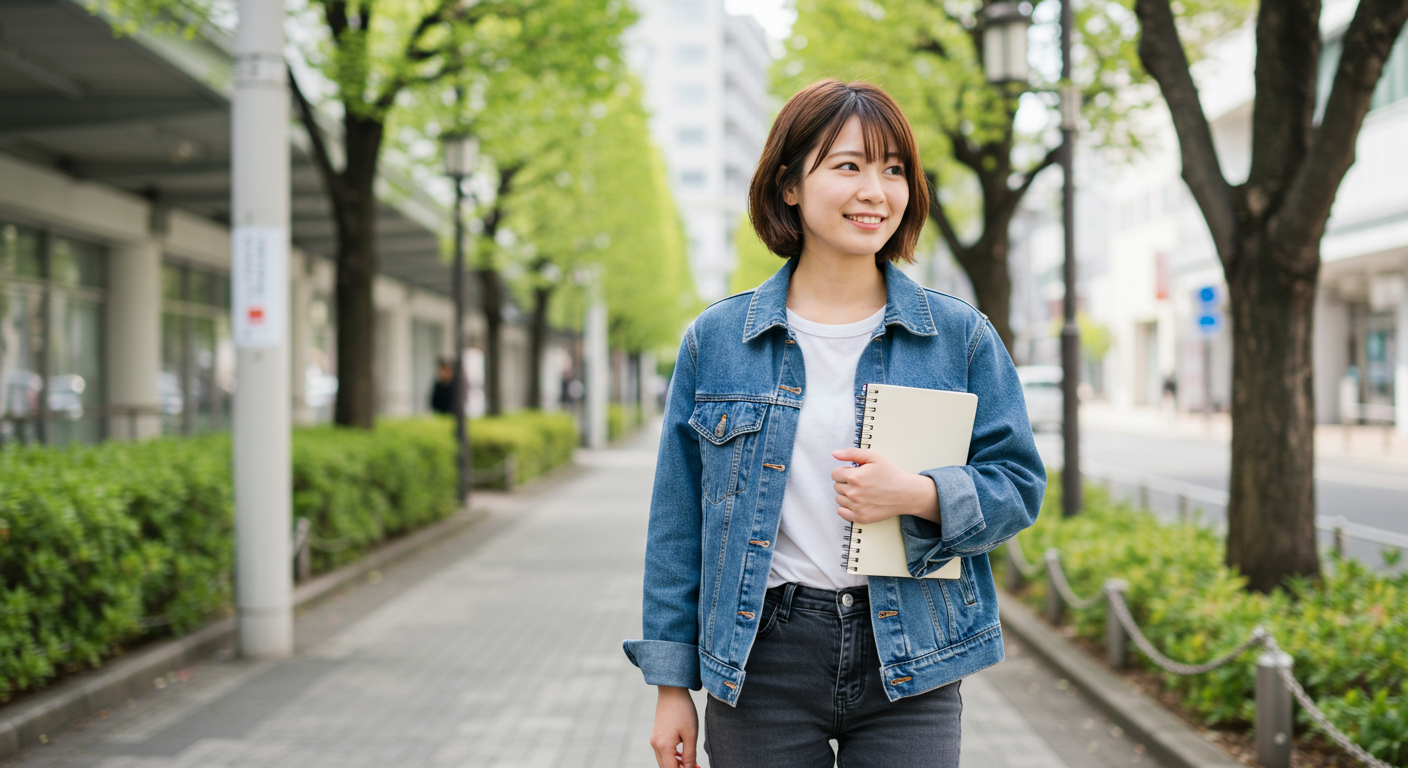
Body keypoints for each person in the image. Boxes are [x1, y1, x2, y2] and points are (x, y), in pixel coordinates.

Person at [622, 80, 1046, 768]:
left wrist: (919, 495)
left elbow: (1018, 484)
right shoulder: (720, 339)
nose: (875, 190)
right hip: (762, 655)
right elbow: (678, 524)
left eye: (894, 169)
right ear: (789, 184)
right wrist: (673, 684)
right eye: (848, 166)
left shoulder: (958, 336)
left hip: (913, 650)